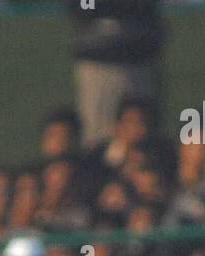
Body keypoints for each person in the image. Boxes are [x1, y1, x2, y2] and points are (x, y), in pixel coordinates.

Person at [67, 0, 165, 149]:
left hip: (139, 56)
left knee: (142, 133)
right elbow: (83, 6)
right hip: (98, 58)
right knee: (97, 137)